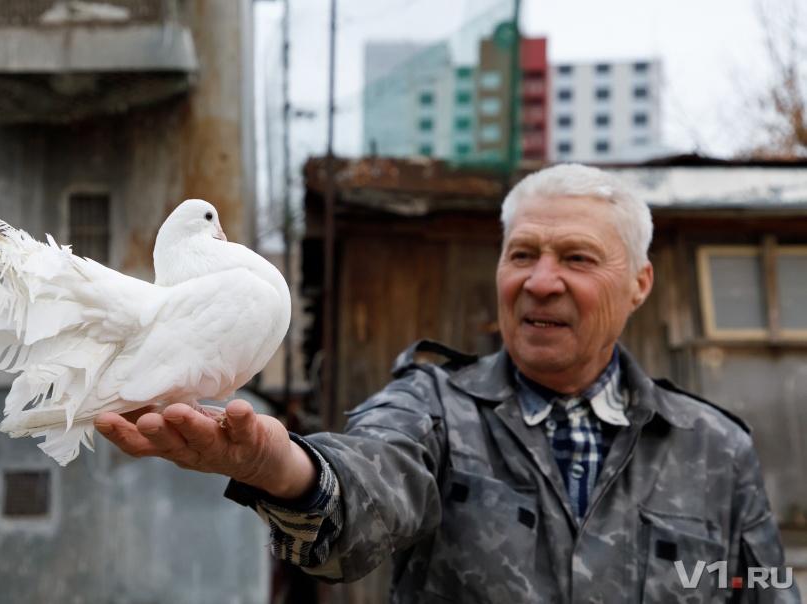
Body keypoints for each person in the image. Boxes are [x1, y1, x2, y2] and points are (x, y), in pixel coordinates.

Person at [95, 164, 800, 603]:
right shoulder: (429, 410)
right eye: (522, 254)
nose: (540, 280)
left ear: (640, 283)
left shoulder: (714, 451)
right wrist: (283, 469)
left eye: (577, 258)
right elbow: (363, 491)